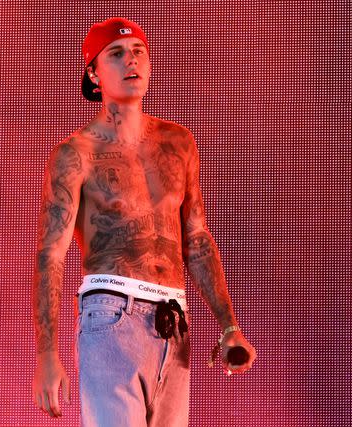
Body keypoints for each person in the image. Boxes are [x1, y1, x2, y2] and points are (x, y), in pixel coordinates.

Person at [32, 17, 257, 426]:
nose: (130, 60)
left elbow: (197, 239)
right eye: (115, 54)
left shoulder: (178, 142)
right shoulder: (76, 153)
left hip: (174, 322)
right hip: (112, 313)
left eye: (138, 51)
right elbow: (51, 253)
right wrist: (47, 354)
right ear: (93, 73)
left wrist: (228, 326)